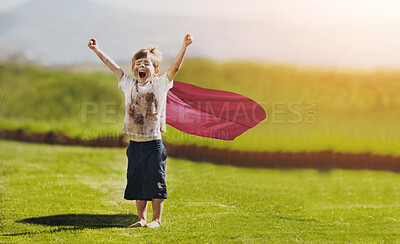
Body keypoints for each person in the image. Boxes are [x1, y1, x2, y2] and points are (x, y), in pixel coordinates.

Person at [88, 34, 193, 228]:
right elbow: (113, 66)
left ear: (156, 69)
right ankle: (141, 218)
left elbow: (175, 68)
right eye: (137, 64)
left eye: (146, 64)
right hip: (135, 145)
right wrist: (96, 49)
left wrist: (184, 46)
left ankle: (156, 220)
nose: (140, 67)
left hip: (154, 145)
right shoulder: (128, 84)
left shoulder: (161, 84)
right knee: (137, 182)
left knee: (155, 182)